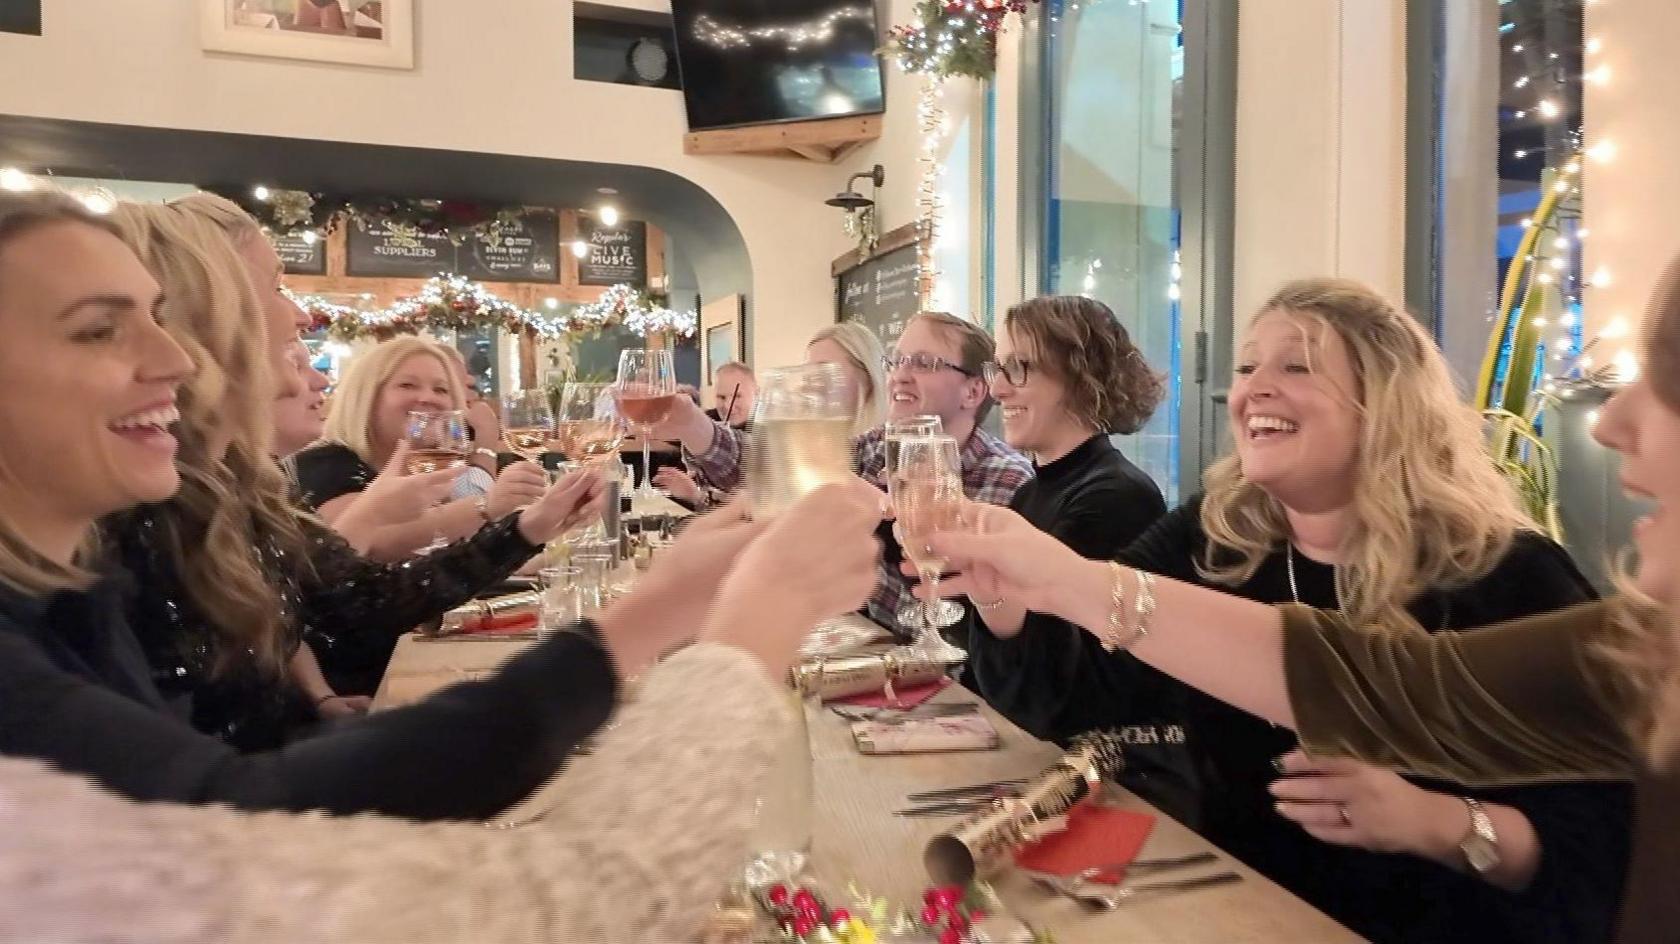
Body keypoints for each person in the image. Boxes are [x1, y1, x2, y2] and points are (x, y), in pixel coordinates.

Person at [0, 187, 885, 826]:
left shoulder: (121, 548)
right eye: (98, 328)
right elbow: (238, 834)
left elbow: (246, 770)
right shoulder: (96, 571)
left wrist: (582, 578)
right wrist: (704, 631)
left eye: (157, 318)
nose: (177, 359)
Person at [917, 257, 1680, 942]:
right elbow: (1082, 692)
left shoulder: (1511, 574)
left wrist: (1440, 823)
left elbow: (1601, 851)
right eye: (1247, 367)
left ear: (1385, 404)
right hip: (1231, 905)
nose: (1253, 389)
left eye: (1298, 366)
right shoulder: (1212, 538)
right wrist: (1007, 597)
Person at [0, 486, 880, 944]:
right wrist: (743, 638)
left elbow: (247, 812)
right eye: (97, 331)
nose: (173, 358)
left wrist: (639, 624)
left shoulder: (74, 599)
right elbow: (584, 906)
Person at [963, 295, 1176, 794]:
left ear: (1081, 378)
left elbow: (1066, 697)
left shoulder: (1115, 497)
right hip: (1040, 758)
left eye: (1019, 368)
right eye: (999, 367)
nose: (997, 387)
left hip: (1104, 785)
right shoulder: (1031, 492)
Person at [292, 335, 549, 562]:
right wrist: (487, 506)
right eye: (407, 385)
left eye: (441, 389)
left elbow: (446, 557)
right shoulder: (326, 461)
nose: (428, 398)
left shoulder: (428, 469)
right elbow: (375, 545)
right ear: (366, 397)